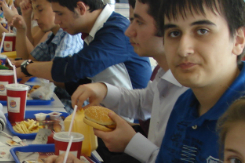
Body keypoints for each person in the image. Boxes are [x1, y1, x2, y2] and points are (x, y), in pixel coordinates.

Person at [45, 0, 245, 163]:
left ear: (240, 39)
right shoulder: (186, 102)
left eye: (202, 31)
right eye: (174, 33)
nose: (183, 48)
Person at [71, 0, 187, 163]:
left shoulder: (190, 89)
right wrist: (103, 89)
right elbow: (144, 103)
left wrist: (132, 143)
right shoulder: (164, 72)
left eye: (139, 22)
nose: (128, 31)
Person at [16, 0, 152, 94]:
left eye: (60, 13)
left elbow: (76, 67)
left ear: (81, 8)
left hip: (129, 126)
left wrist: (28, 67)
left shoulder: (116, 31)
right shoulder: (95, 30)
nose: (56, 20)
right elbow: (83, 81)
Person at [11, 0, 83, 62]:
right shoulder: (51, 38)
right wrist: (20, 30)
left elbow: (57, 71)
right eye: (34, 10)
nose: (35, 17)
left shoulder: (69, 37)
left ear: (56, 6)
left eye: (40, 10)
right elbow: (27, 60)